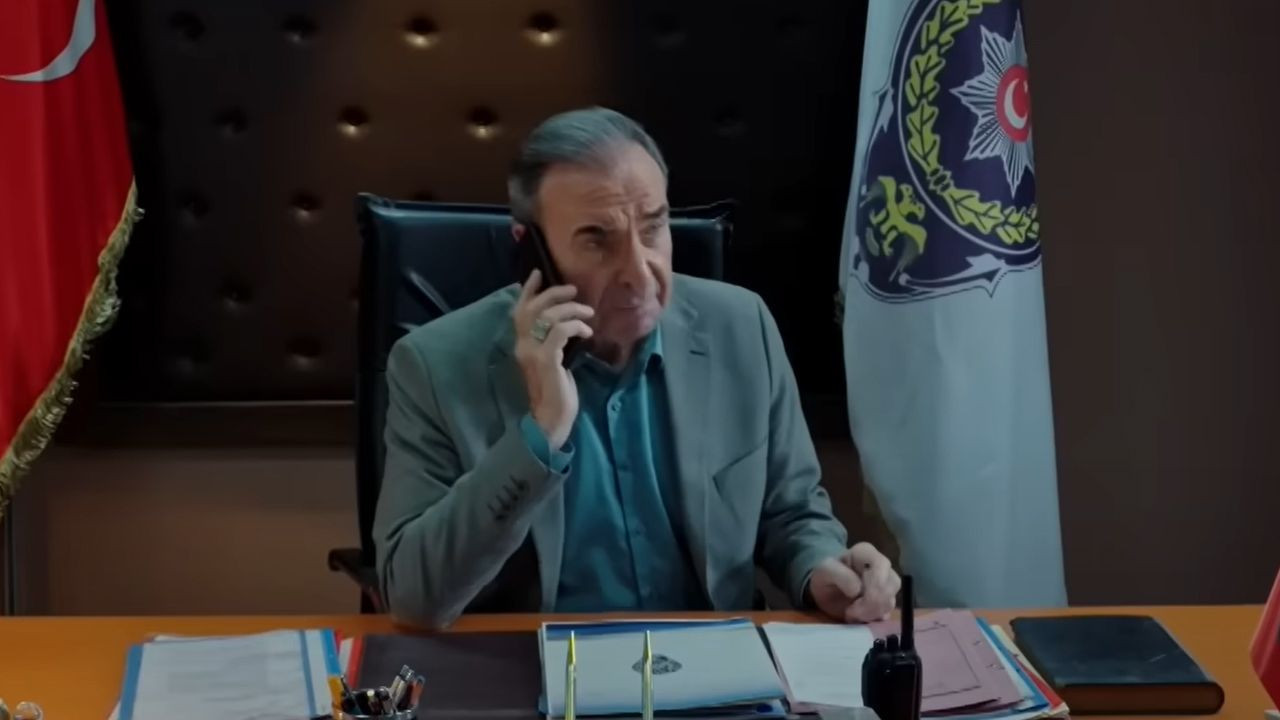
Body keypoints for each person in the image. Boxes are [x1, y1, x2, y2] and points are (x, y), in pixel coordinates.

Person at [373, 107, 900, 629]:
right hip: (535, 665)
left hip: (712, 660)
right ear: (531, 251)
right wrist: (540, 434)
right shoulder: (433, 365)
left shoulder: (741, 328)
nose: (640, 274)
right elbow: (415, 597)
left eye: (653, 228)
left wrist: (819, 567)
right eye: (597, 240)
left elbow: (793, 512)